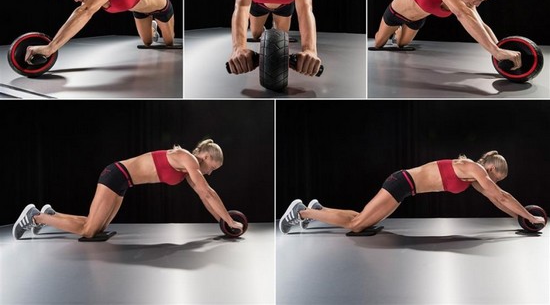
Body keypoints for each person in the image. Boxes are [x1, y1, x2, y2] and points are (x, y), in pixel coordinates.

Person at [12, 139, 243, 240]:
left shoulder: (188, 170)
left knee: (99, 226)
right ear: (204, 156)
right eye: (211, 167)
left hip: (124, 182)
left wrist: (222, 222)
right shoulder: (188, 159)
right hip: (115, 174)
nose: (209, 173)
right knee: (89, 231)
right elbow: (208, 193)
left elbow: (205, 198)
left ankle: (53, 215)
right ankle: (36, 217)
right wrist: (231, 222)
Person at [279, 151, 546, 234]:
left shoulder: (473, 176)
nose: (494, 181)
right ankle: (301, 211)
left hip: (405, 189)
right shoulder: (474, 168)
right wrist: (530, 217)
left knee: (363, 218)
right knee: (357, 224)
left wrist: (518, 218)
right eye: (497, 176)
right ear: (491, 167)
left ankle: (318, 210)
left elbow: (497, 199)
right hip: (401, 182)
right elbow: (501, 195)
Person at [372, 0, 522, 70]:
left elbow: (481, 24)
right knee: (379, 43)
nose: (478, 3)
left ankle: (398, 34)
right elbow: (461, 14)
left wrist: (500, 48)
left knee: (400, 44)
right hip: (395, 13)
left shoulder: (466, 1)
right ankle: (393, 30)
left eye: (482, 0)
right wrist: (494, 51)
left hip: (416, 20)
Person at [24, 0, 175, 64]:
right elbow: (80, 12)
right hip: (139, 11)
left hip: (161, 7)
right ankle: (152, 28)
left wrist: (51, 47)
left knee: (169, 43)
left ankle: (159, 24)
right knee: (148, 43)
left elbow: (85, 11)